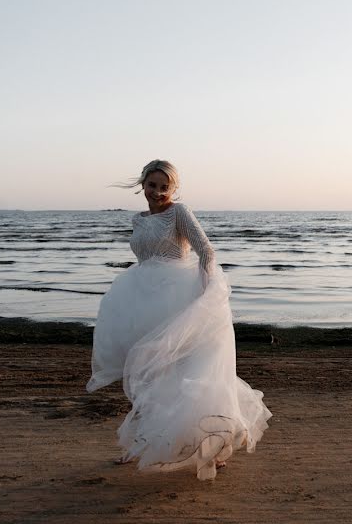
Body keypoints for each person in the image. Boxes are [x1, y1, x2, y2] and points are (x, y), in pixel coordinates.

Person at [86, 159, 272, 480]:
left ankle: (209, 446)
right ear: (142, 184)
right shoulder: (137, 219)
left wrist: (204, 293)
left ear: (173, 188)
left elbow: (206, 251)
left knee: (190, 372)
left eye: (164, 187)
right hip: (142, 300)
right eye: (152, 185)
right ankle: (143, 442)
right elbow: (145, 258)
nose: (157, 192)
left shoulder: (179, 212)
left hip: (179, 298)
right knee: (148, 371)